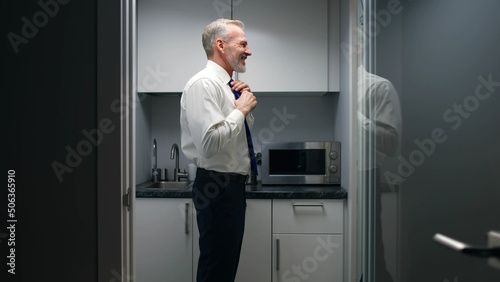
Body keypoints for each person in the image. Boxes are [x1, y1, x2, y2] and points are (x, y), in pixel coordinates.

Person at [179, 18, 256, 282]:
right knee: (216, 270)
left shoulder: (226, 85)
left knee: (224, 268)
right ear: (221, 45)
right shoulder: (203, 84)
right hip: (217, 186)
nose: (249, 51)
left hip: (230, 187)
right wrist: (241, 110)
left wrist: (243, 104)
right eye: (243, 44)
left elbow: (233, 135)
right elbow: (209, 145)